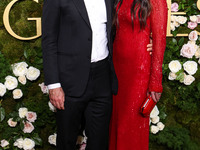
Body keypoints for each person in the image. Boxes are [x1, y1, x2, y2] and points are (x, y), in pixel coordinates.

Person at [42, 0, 153, 149]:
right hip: (70, 80)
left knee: (100, 141)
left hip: (103, 78)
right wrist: (54, 84)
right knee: (66, 140)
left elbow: (122, 24)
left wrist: (148, 39)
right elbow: (49, 41)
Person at [109, 0, 168, 149]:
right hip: (117, 69)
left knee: (129, 124)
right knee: (115, 122)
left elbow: (160, 40)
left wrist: (156, 82)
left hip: (138, 70)